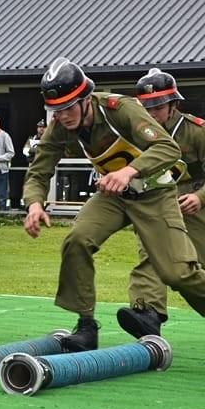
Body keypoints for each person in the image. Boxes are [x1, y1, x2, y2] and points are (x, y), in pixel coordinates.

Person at [22, 58, 205, 352]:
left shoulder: (120, 109)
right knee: (77, 239)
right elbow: (39, 170)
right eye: (56, 110)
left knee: (177, 273)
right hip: (114, 197)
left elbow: (167, 148)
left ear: (85, 100)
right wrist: (34, 204)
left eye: (69, 107)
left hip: (155, 194)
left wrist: (128, 171)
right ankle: (85, 326)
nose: (63, 116)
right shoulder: (60, 125)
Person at [118, 69, 205, 338]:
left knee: (193, 267)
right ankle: (148, 312)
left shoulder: (196, 131)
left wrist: (199, 198)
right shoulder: (134, 133)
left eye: (158, 106)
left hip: (195, 201)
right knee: (151, 251)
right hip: (156, 201)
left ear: (174, 105)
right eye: (146, 106)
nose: (152, 112)